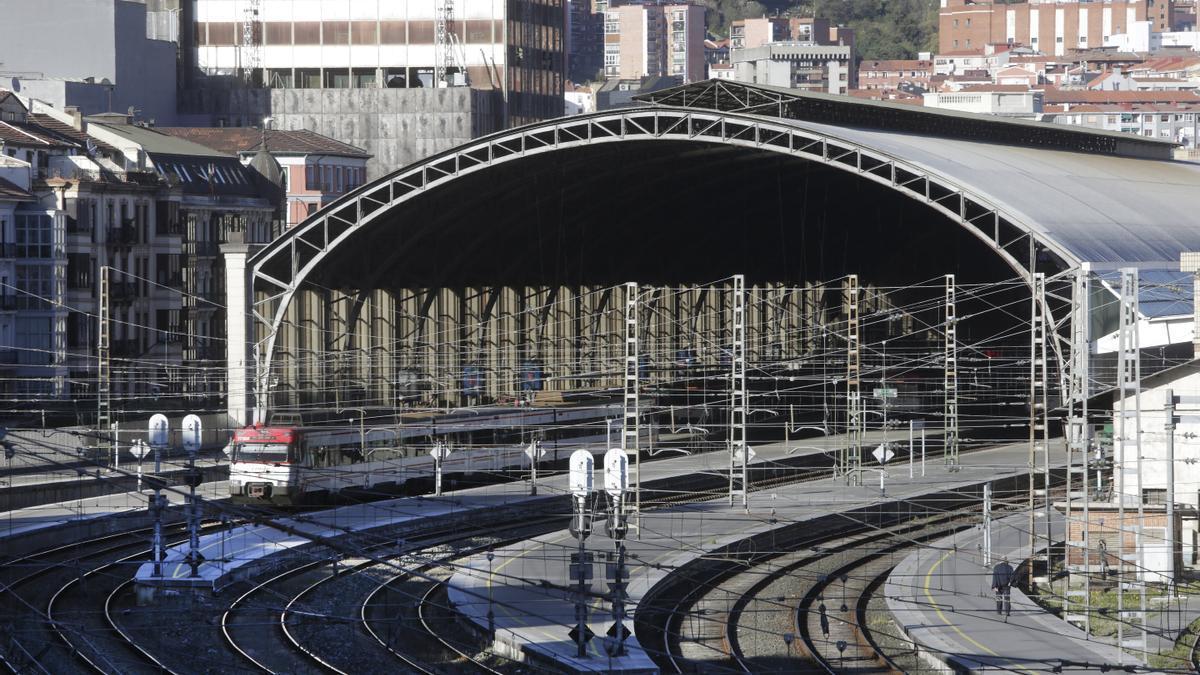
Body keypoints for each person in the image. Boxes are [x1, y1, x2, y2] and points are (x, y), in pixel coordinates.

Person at [991, 555, 1015, 620]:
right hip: (1007, 586)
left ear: (1000, 560)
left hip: (998, 585)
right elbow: (1012, 577)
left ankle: (999, 611)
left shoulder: (996, 567)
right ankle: (1007, 612)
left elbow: (994, 577)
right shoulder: (1010, 567)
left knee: (999, 598)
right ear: (1006, 560)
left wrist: (994, 586)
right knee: (1007, 599)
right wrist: (1010, 583)